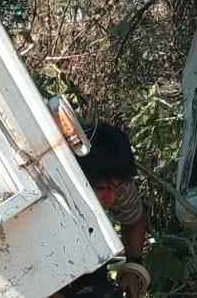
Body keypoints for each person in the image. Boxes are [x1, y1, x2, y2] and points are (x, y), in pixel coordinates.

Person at [59, 122, 151, 298]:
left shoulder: (116, 182)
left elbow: (133, 220)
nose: (112, 199)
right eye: (102, 188)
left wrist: (133, 266)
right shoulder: (54, 190)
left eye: (116, 188)